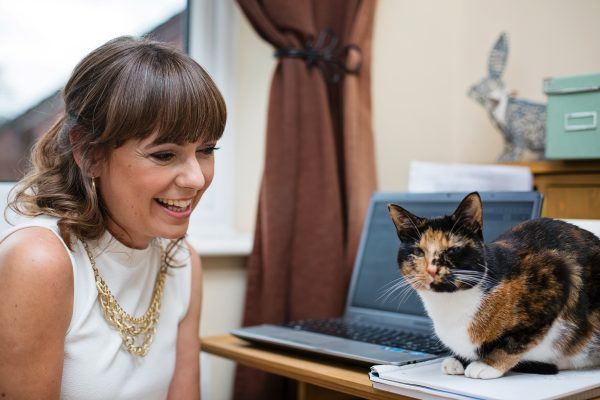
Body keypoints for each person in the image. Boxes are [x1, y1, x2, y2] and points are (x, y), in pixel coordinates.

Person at [0, 36, 226, 399]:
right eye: (165, 155)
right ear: (89, 153)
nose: (197, 180)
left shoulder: (183, 262)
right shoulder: (40, 261)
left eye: (206, 150)